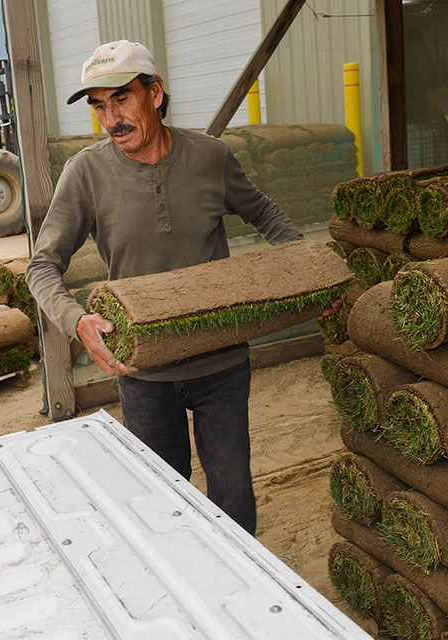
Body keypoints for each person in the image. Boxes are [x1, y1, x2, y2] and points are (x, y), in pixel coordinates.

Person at [27, 40, 339, 535]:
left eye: (122, 99)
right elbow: (42, 266)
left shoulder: (211, 158)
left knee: (233, 493)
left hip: (222, 362)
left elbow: (269, 217)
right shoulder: (85, 173)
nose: (111, 119)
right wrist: (76, 320)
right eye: (98, 106)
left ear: (155, 93)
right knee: (160, 498)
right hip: (142, 371)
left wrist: (306, 276)